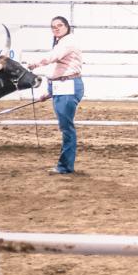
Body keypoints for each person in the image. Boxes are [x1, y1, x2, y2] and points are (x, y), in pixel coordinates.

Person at [26, 16, 84, 175]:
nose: (56, 28)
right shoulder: (62, 42)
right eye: (53, 27)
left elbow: (53, 58)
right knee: (65, 127)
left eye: (59, 25)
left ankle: (65, 166)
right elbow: (60, 70)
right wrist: (49, 92)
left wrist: (36, 63)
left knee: (67, 128)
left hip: (67, 87)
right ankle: (65, 165)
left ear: (67, 27)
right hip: (63, 87)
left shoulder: (68, 42)